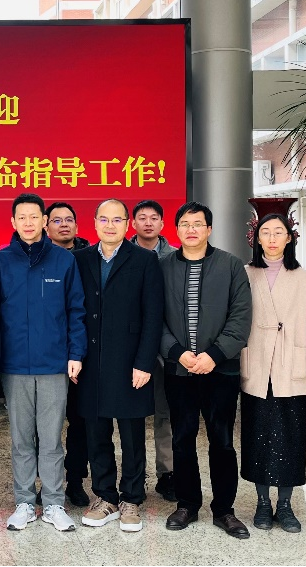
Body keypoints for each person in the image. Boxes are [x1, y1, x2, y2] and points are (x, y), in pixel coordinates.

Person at [0, 193, 86, 534]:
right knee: (21, 439)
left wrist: (75, 354)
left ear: (44, 221)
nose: (28, 223)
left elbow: (76, 310)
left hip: (53, 364)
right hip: (14, 365)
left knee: (51, 439)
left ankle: (54, 503)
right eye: (22, 217)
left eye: (34, 217)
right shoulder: (0, 261)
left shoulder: (63, 260)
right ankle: (25, 502)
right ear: (13, 222)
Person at [159, 201, 252, 539]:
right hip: (179, 370)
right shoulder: (163, 266)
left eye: (198, 223)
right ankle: (187, 504)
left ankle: (224, 510)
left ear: (209, 229)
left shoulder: (231, 265)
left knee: (222, 441)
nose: (192, 229)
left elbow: (241, 317)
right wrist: (177, 352)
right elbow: (154, 317)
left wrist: (214, 354)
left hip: (220, 370)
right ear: (177, 230)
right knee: (182, 438)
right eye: (185, 224)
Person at [75, 199, 165, 534]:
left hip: (130, 363)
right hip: (90, 362)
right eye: (104, 219)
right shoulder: (80, 259)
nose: (110, 225)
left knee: (131, 436)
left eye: (117, 219)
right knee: (96, 434)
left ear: (127, 224)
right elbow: (74, 311)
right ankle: (105, 497)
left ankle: (131, 498)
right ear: (94, 223)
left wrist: (144, 363)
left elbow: (153, 315)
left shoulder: (144, 260)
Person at [240, 213, 306, 534]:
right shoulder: (245, 273)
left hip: (293, 365)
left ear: (290, 238)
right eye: (266, 232)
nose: (272, 238)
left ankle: (285, 505)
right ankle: (262, 503)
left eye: (279, 232)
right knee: (257, 438)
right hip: (257, 365)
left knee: (291, 439)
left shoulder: (302, 277)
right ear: (256, 238)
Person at [43, 201, 91, 509]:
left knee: (79, 422)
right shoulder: (38, 257)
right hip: (47, 355)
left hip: (80, 354)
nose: (64, 224)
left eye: (69, 219)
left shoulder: (89, 257)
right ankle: (47, 483)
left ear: (76, 225)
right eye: (57, 220)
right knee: (44, 426)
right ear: (46, 226)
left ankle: (75, 481)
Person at [131, 199, 176, 501]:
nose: (148, 223)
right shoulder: (123, 255)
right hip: (132, 347)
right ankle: (133, 475)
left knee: (166, 413)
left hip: (169, 347)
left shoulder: (175, 257)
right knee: (130, 415)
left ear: (162, 223)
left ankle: (167, 473)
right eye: (142, 218)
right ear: (133, 223)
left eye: (154, 218)